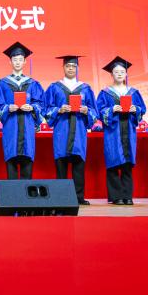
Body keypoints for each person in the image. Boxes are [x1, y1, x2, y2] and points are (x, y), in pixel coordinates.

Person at [43, 55, 98, 205]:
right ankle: (61, 197)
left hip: (79, 131)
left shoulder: (85, 88)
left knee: (78, 164)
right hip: (62, 131)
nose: (71, 69)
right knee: (61, 164)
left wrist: (87, 110)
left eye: (74, 66)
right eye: (68, 66)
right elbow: (46, 109)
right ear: (63, 67)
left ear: (78, 68)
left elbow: (94, 111)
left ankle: (78, 197)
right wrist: (59, 110)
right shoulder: (55, 87)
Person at [96, 56, 147, 205]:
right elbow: (99, 110)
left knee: (127, 164)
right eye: (116, 72)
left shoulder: (133, 92)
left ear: (126, 74)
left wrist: (135, 109)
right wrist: (111, 110)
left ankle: (127, 196)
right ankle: (116, 196)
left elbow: (142, 109)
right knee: (113, 162)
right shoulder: (105, 92)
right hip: (113, 131)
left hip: (129, 130)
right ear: (111, 74)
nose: (119, 74)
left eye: (122, 72)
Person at [0, 42, 44, 180]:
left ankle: (26, 192)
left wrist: (32, 107)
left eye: (20, 59)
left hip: (28, 127)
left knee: (27, 162)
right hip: (10, 127)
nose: (17, 62)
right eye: (15, 59)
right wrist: (8, 108)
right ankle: (12, 193)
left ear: (25, 62)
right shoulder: (2, 83)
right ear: (10, 61)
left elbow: (40, 104)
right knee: (11, 160)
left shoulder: (33, 83)